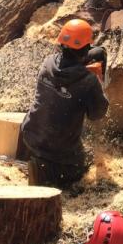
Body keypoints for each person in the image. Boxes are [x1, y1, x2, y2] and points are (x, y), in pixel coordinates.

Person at [21, 18, 109, 188]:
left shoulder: (48, 63)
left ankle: (37, 163)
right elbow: (97, 114)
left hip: (31, 136)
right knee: (87, 158)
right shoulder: (88, 80)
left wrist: (89, 55)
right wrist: (100, 82)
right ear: (85, 49)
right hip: (61, 153)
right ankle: (52, 175)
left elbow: (70, 61)